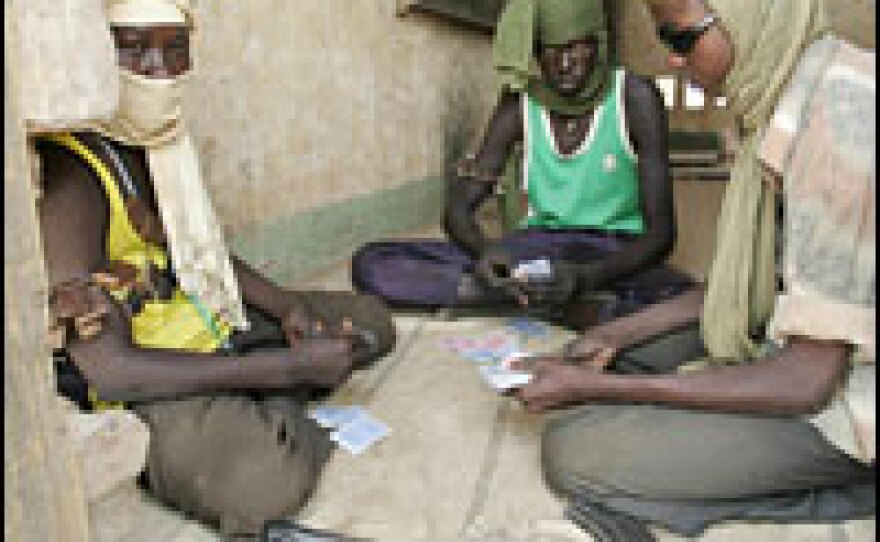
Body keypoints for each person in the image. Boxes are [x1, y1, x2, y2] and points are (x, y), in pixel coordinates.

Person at [511, 0, 876, 539]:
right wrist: (611, 336)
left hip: (847, 394)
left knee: (575, 451)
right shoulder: (778, 94)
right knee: (617, 354)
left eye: (682, 40)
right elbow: (750, 286)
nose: (675, 63)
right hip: (803, 339)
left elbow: (807, 381)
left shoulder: (843, 124)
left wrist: (613, 391)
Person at [36, 0, 395, 537]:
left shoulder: (161, 146)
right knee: (263, 484)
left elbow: (202, 255)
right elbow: (112, 370)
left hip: (211, 323)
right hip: (152, 381)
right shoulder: (73, 175)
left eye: (174, 49)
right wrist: (289, 369)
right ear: (95, 58)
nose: (159, 71)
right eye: (132, 50)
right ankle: (274, 390)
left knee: (370, 321)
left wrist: (290, 308)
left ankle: (268, 389)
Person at [352, 0, 691, 328]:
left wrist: (585, 277)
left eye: (574, 47)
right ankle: (558, 304)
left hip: (610, 252)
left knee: (680, 295)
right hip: (536, 249)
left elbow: (661, 236)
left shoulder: (634, 98)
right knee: (372, 264)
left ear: (596, 44)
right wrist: (487, 252)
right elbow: (458, 208)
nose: (563, 64)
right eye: (549, 49)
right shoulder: (518, 105)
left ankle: (529, 300)